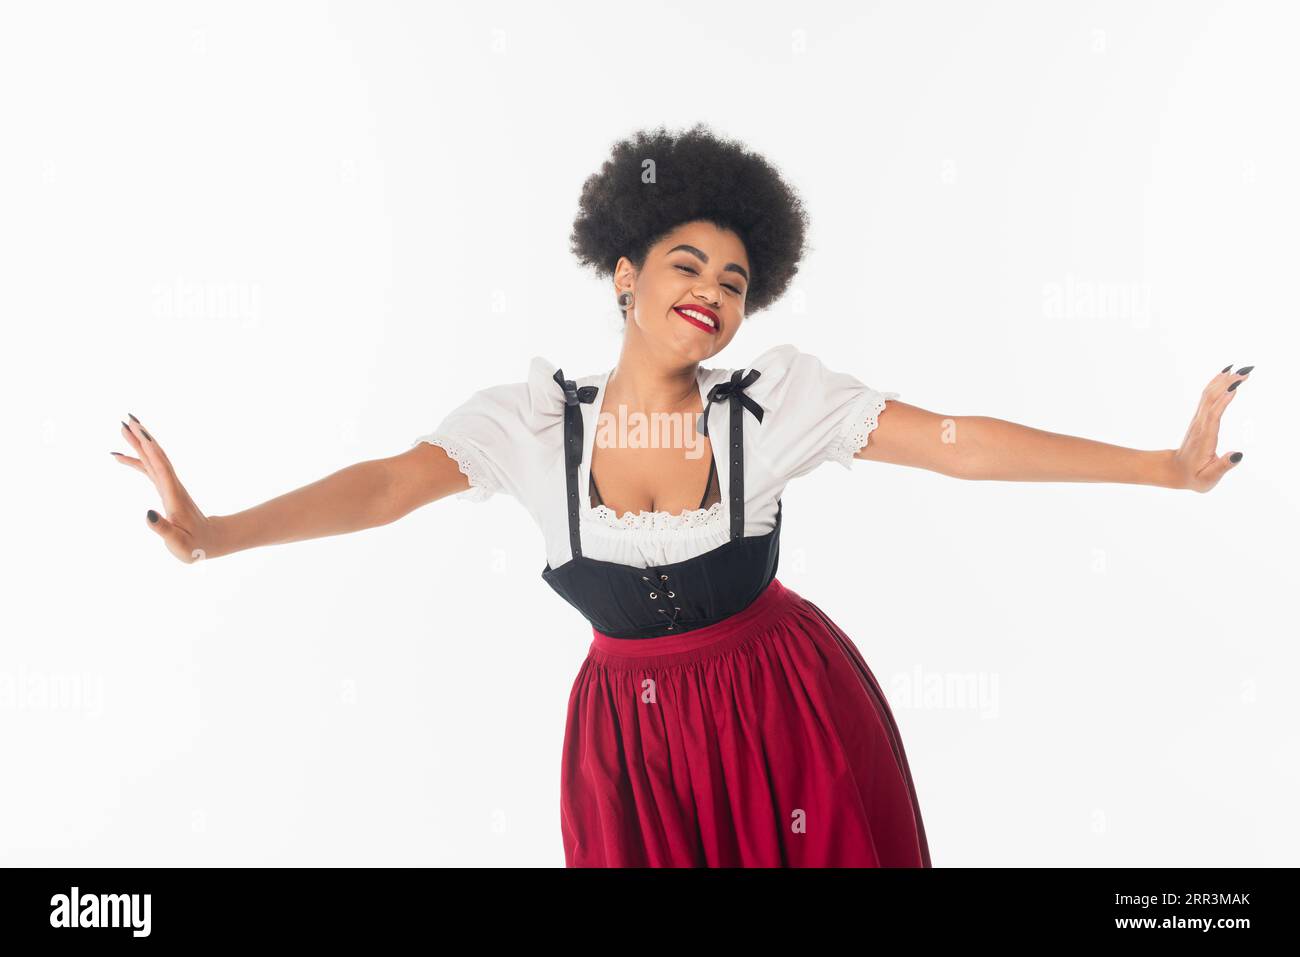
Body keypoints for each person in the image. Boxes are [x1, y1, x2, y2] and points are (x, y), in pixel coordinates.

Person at [112, 124, 1251, 867]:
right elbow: (379, 490)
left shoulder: (775, 405)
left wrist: (1162, 465)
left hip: (789, 709)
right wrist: (217, 535)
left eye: (736, 279)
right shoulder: (527, 426)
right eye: (685, 264)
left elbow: (956, 444)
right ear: (623, 272)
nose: (712, 291)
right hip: (628, 743)